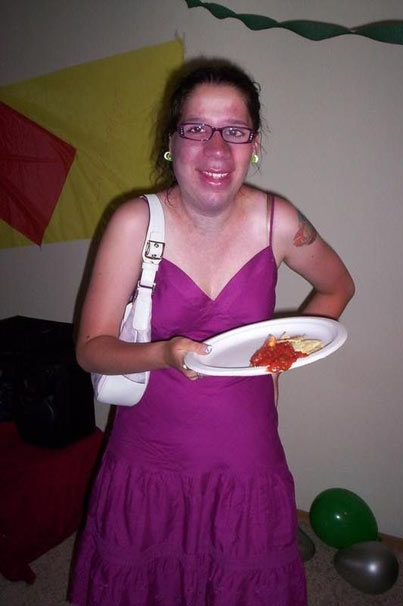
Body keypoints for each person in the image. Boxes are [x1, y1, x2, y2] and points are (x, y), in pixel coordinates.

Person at [69, 58, 355, 605]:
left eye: (234, 131)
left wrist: (275, 359)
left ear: (255, 143)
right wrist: (163, 354)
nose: (217, 148)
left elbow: (337, 287)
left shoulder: (279, 221)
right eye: (197, 128)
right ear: (171, 141)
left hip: (245, 453)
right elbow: (90, 350)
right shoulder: (135, 222)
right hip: (150, 455)